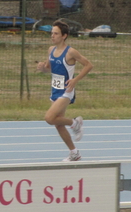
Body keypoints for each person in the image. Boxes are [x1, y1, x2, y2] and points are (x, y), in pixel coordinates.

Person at [36, 19, 93, 161]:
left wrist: (75, 80)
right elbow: (49, 69)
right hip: (55, 90)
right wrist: (43, 68)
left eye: (56, 33)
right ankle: (74, 153)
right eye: (52, 33)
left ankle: (75, 123)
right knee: (57, 123)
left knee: (49, 118)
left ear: (64, 36)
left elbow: (88, 65)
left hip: (66, 91)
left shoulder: (71, 52)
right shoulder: (51, 50)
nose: (52, 36)